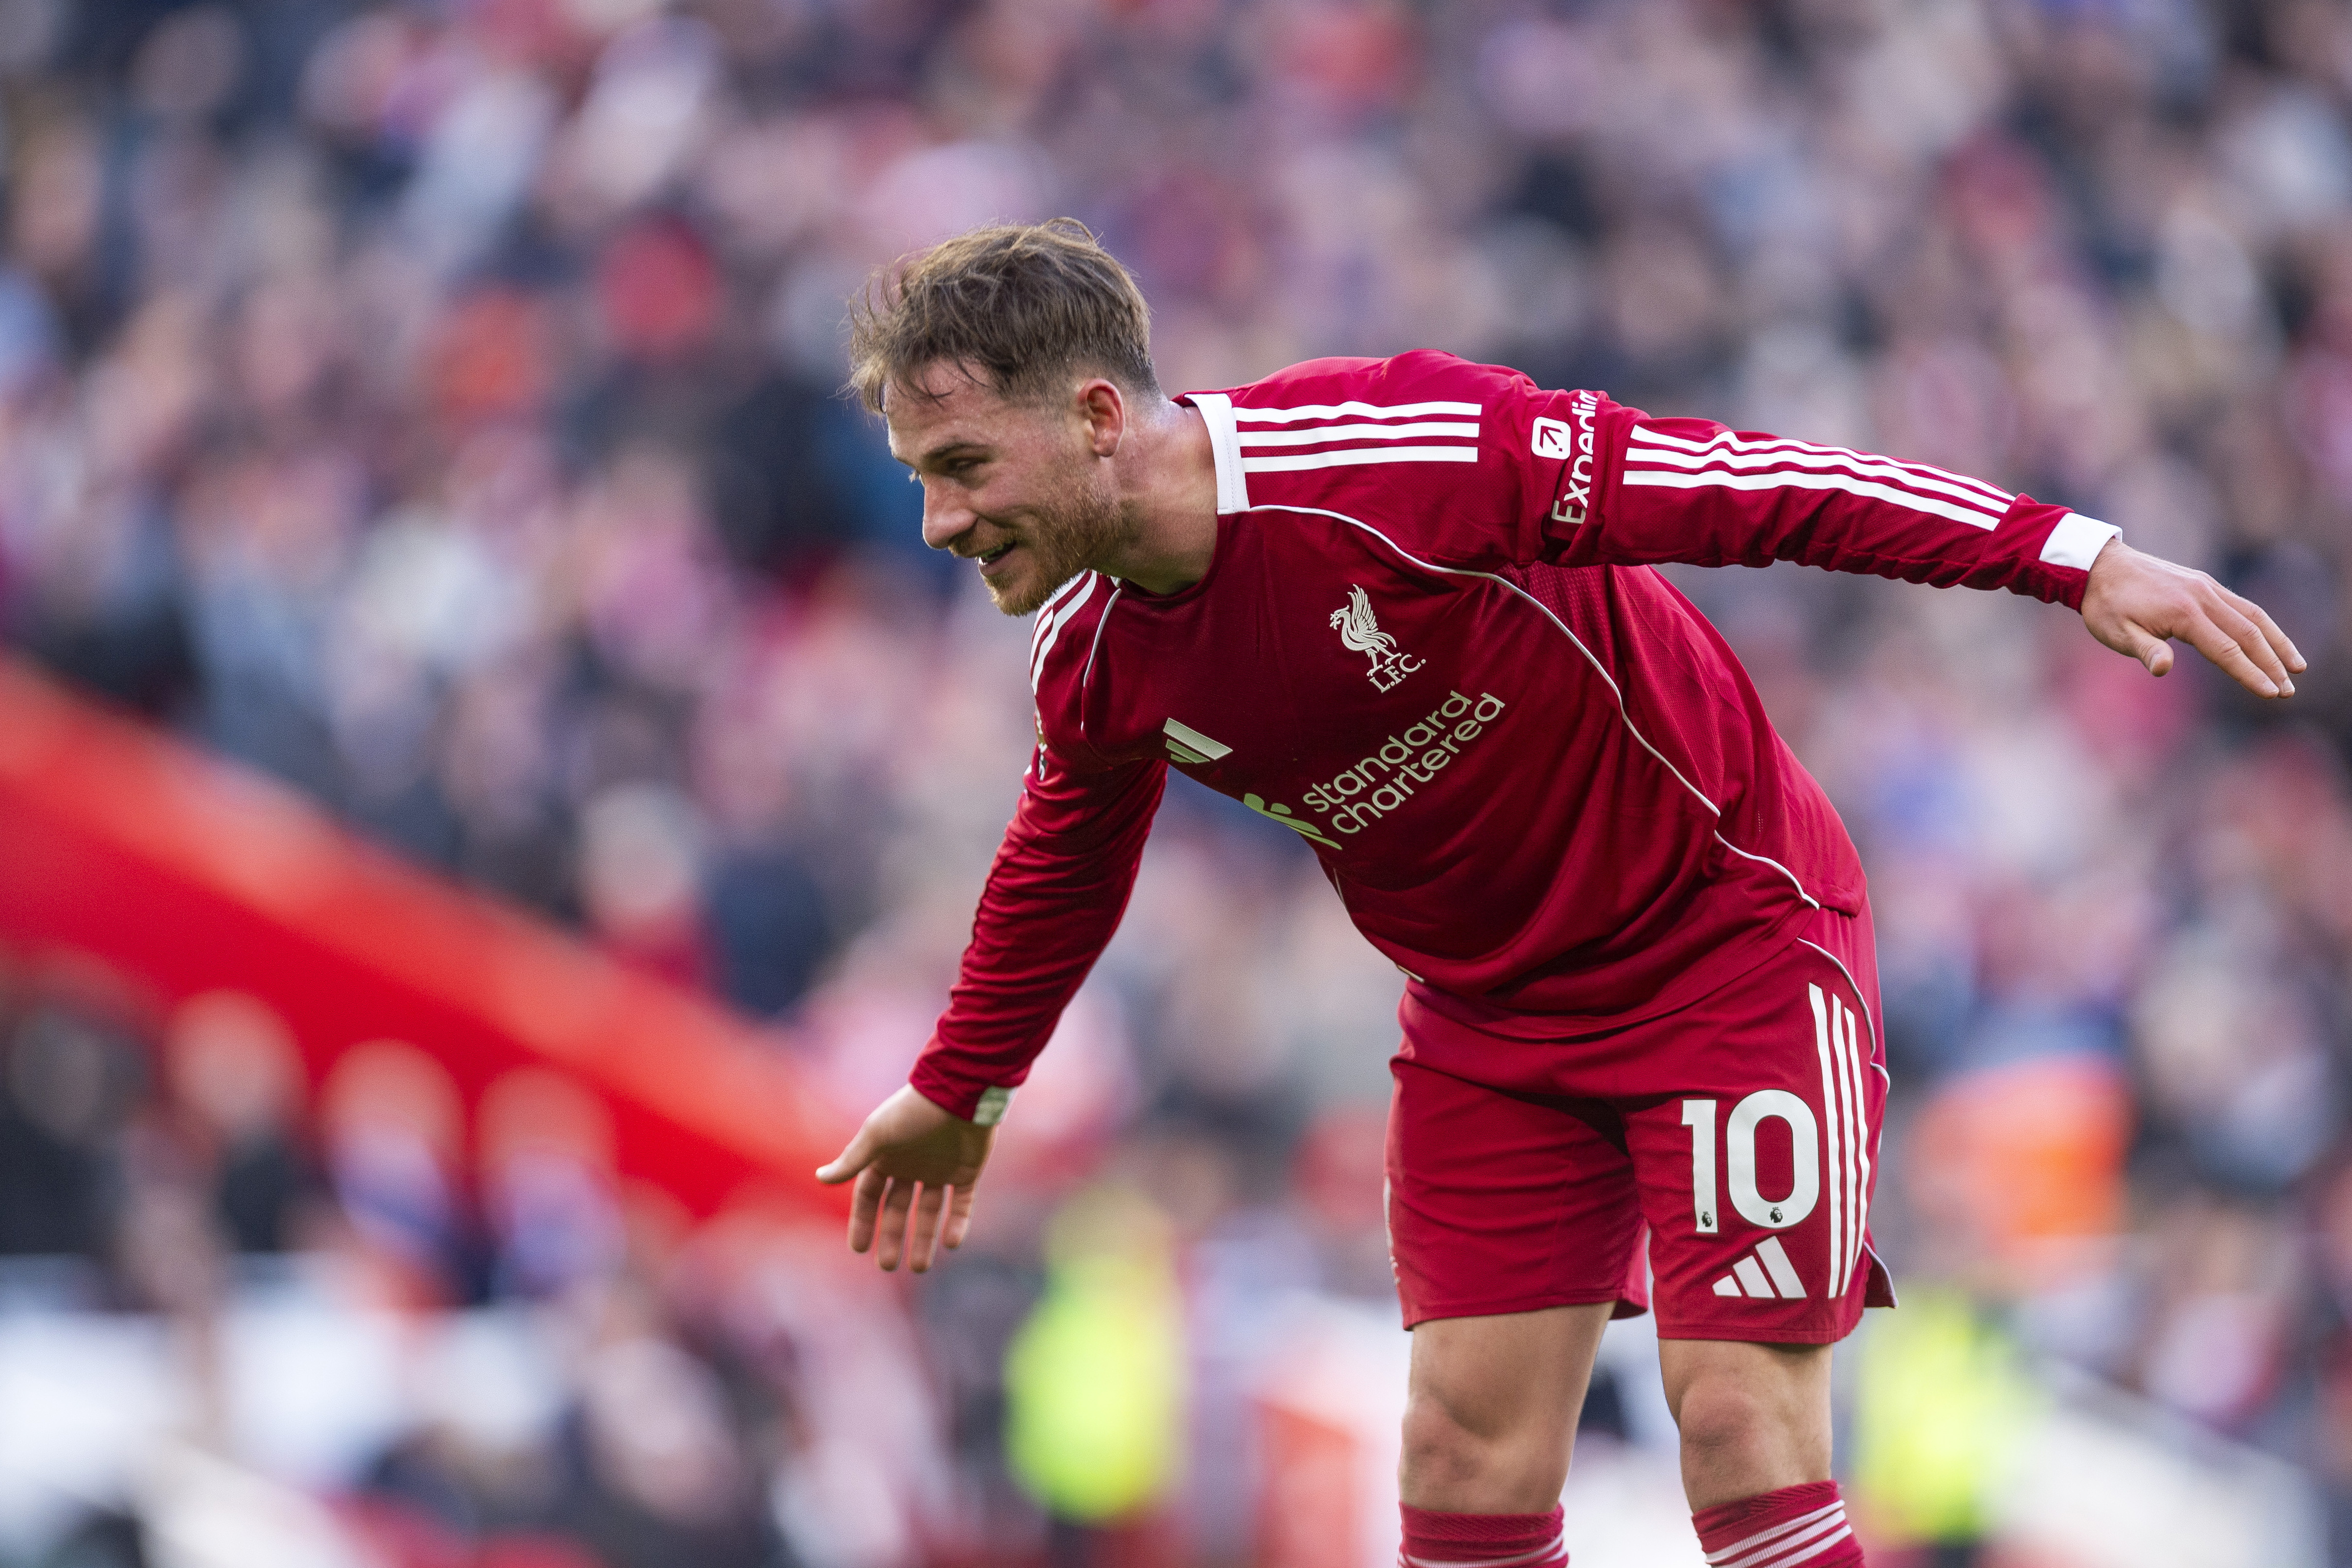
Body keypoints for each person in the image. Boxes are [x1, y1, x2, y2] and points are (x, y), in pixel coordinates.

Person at [814, 220, 2302, 1568]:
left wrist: (2063, 555)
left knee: (1734, 1429)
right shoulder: (1094, 662)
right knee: (1459, 1462)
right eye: (919, 483)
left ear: (1090, 419)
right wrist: (963, 1089)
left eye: (962, 469)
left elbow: (1745, 490)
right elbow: (1062, 868)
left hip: (1721, 940)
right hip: (1487, 1022)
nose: (940, 524)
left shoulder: (1394, 454)